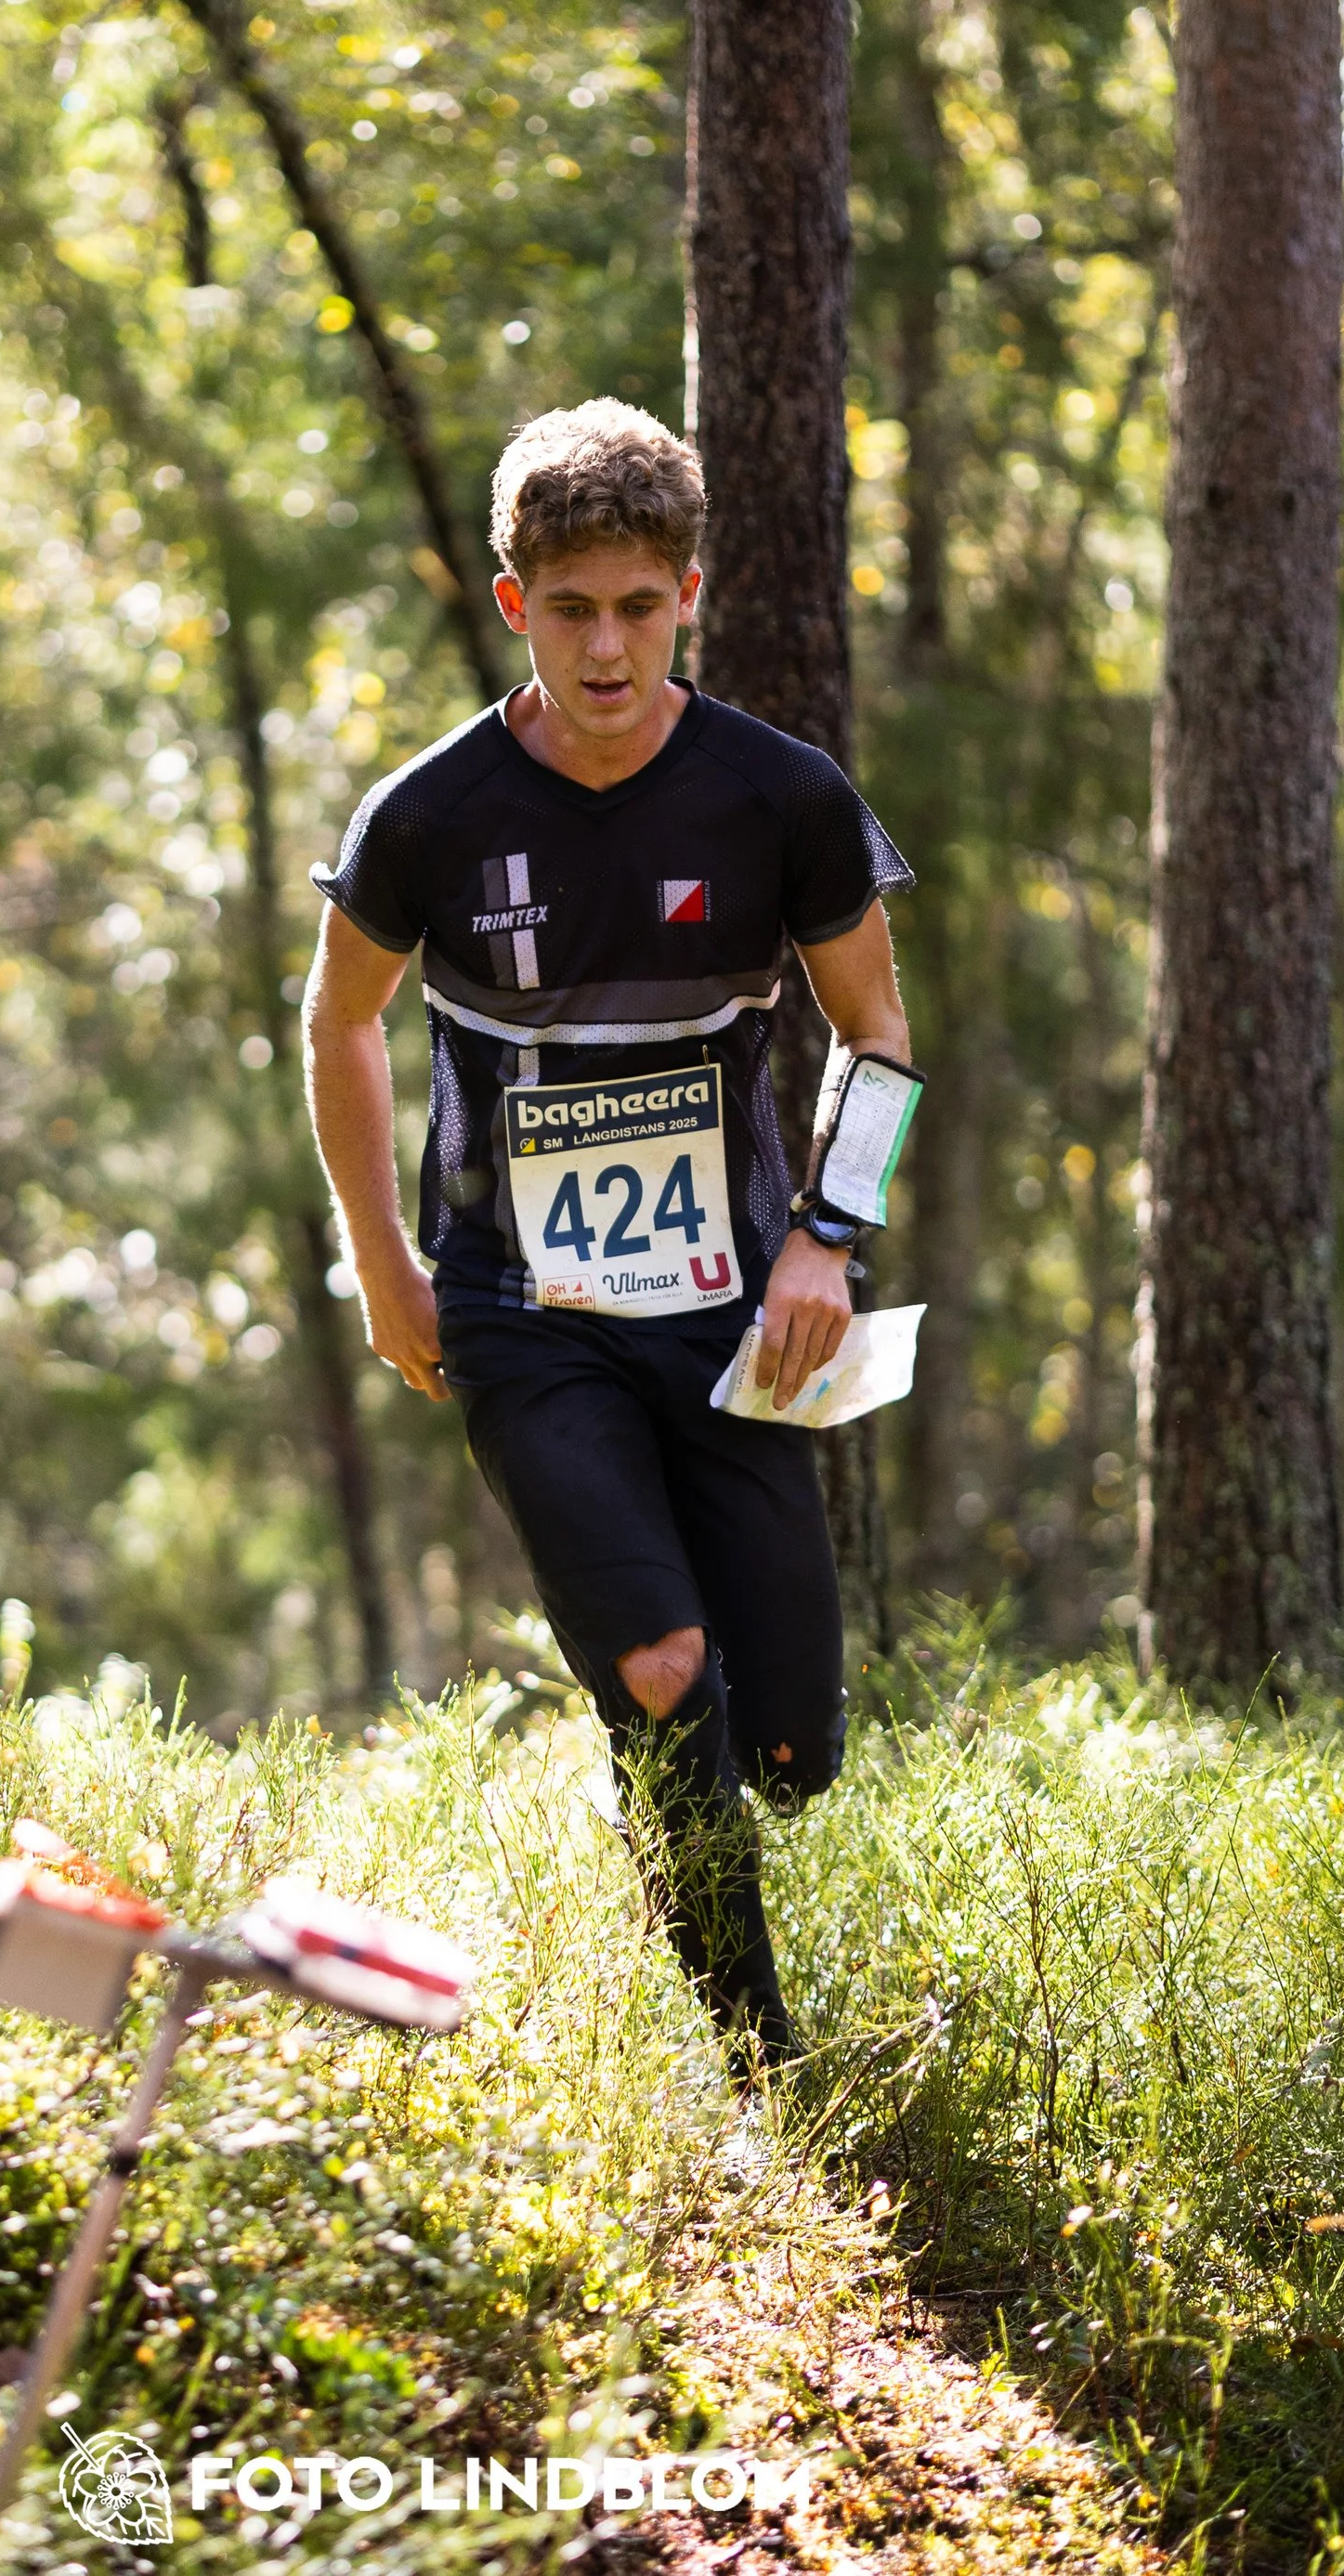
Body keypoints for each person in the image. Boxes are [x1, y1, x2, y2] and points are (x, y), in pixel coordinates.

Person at [303, 399, 912, 2080]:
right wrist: (383, 1261)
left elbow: (882, 1037)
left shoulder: (779, 797)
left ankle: (697, 1818)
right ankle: (761, 2078)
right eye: (570, 608)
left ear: (688, 598)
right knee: (658, 1668)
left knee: (783, 1750)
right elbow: (336, 1023)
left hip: (737, 1315)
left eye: (639, 607)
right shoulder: (426, 815)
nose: (607, 645)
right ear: (516, 606)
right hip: (520, 1311)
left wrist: (823, 1244)